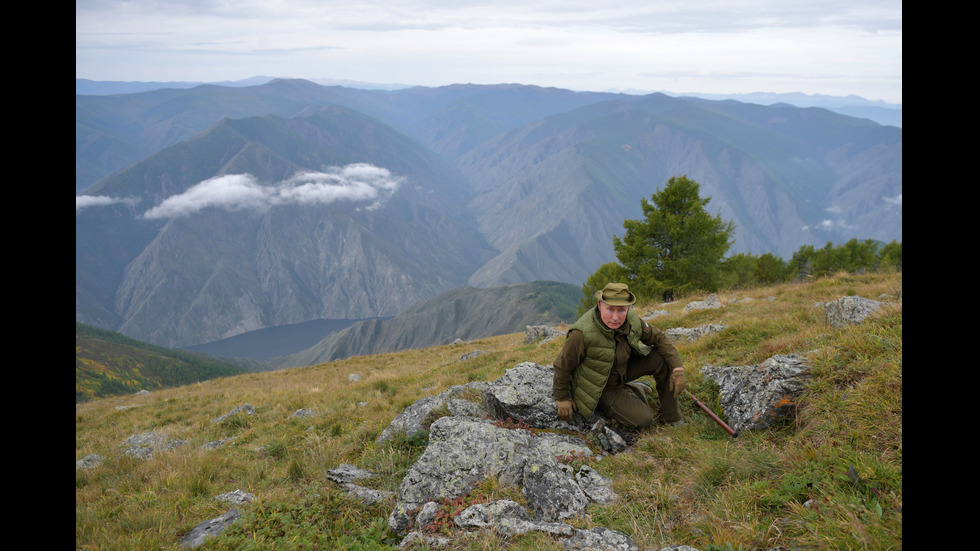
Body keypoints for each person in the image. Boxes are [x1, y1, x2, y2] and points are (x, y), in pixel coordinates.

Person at [553, 282, 686, 429]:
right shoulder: (581, 334)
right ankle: (635, 390)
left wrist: (678, 369)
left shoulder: (632, 320)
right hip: (602, 386)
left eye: (621, 310)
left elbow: (659, 338)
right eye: (610, 309)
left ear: (628, 308)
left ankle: (671, 416)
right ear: (599, 304)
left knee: (663, 359)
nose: (615, 317)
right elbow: (562, 366)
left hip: (623, 368)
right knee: (643, 420)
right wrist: (562, 397)